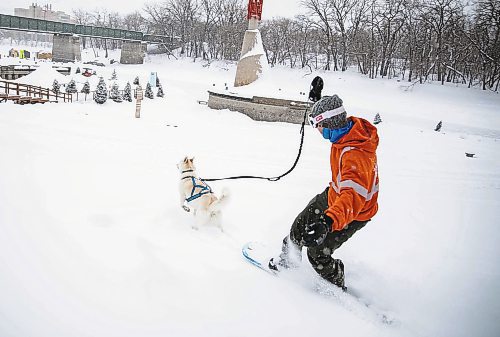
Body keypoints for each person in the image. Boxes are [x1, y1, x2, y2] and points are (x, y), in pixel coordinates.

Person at [269, 94, 379, 290]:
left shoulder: (355, 154)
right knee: (299, 227)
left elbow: (352, 197)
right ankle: (289, 262)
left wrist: (327, 222)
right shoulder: (344, 134)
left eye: (318, 125)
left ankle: (336, 282)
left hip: (354, 212)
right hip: (333, 197)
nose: (317, 131)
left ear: (330, 123)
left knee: (317, 252)